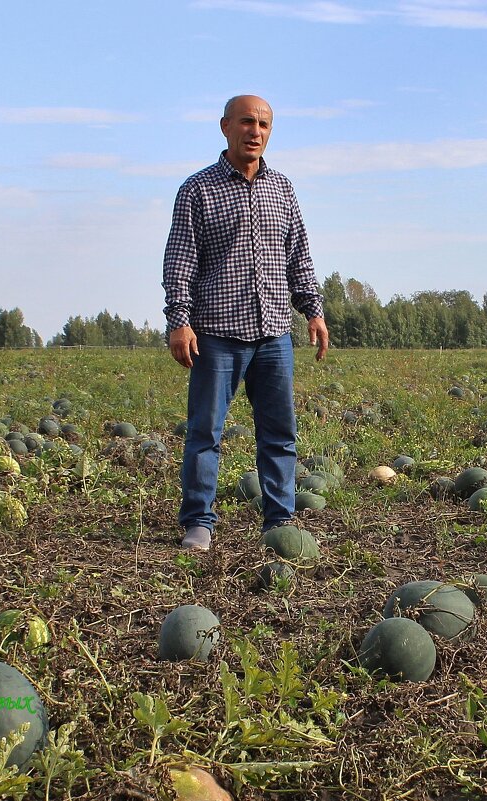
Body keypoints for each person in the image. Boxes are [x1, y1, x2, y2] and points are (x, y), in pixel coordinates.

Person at [162, 94, 328, 551]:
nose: (255, 131)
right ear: (225, 127)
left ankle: (278, 520)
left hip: (274, 332)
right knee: (205, 433)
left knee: (279, 433)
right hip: (216, 332)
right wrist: (180, 321)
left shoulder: (283, 189)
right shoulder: (197, 189)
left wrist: (312, 309)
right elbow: (180, 262)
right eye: (246, 122)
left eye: (264, 124)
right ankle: (199, 522)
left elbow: (299, 255)